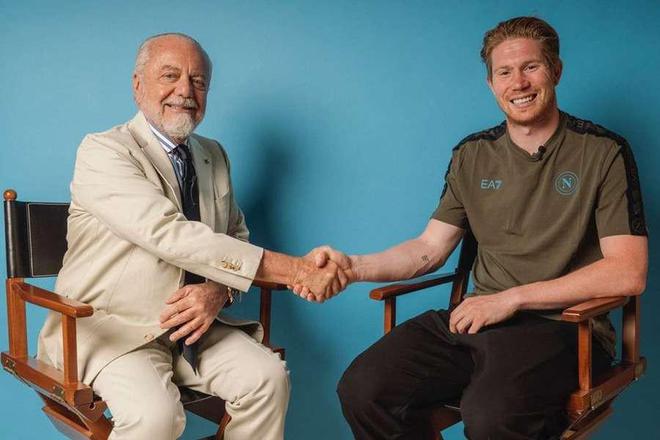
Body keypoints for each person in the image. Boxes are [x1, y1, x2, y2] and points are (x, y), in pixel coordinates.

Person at [298, 16, 648, 439]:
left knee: (490, 415)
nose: (518, 83)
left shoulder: (603, 151)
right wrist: (352, 266)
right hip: (477, 319)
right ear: (491, 83)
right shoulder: (472, 155)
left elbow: (628, 272)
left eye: (531, 67)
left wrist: (512, 299)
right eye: (504, 72)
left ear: (555, 71)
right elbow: (429, 249)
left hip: (565, 329)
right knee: (363, 389)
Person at [37, 33, 346, 440]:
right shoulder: (103, 151)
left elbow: (236, 233)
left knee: (267, 379)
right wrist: (295, 271)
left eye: (198, 81)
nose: (185, 91)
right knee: (157, 416)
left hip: (191, 328)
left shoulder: (213, 154)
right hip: (111, 328)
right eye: (170, 76)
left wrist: (219, 290)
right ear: (137, 85)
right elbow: (171, 234)